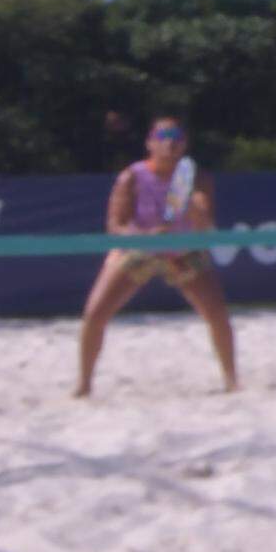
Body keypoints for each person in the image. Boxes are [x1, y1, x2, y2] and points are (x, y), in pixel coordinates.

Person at [74, 113, 238, 396]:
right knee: (95, 313)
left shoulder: (193, 176)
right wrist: (142, 238)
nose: (170, 144)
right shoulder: (132, 176)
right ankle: (84, 384)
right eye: (163, 138)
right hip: (139, 250)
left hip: (182, 251)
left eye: (177, 139)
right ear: (149, 143)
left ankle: (231, 379)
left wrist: (191, 205)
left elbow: (204, 225)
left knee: (217, 314)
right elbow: (116, 224)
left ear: (185, 145)